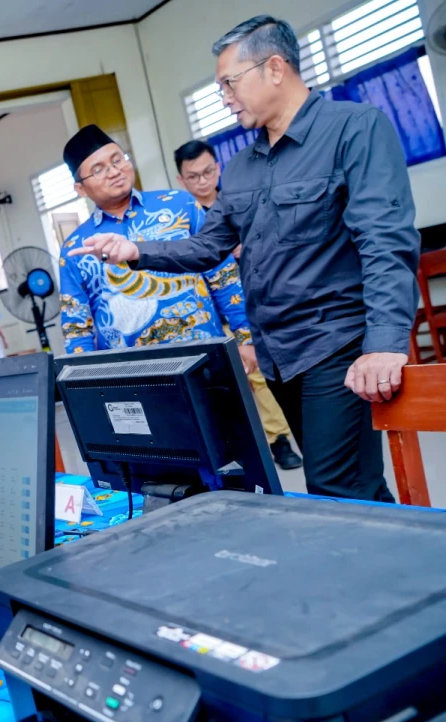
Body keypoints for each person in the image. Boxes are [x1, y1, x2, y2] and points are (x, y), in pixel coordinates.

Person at [71, 16, 418, 502]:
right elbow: (207, 247)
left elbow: (385, 241)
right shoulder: (241, 166)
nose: (225, 98)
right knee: (351, 488)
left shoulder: (353, 130)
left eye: (229, 83)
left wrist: (384, 343)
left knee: (336, 487)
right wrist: (136, 252)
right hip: (280, 357)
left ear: (274, 68)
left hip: (335, 346)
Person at [57, 125, 253, 361]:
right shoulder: (76, 247)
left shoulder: (180, 204)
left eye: (117, 160)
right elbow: (76, 326)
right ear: (80, 189)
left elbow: (222, 275)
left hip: (207, 355)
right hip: (132, 375)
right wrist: (87, 382)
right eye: (98, 170)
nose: (114, 171)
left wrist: (245, 337)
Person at [175, 139, 302, 470]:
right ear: (181, 181)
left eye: (208, 172)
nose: (203, 181)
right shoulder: (180, 218)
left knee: (259, 374)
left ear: (218, 168)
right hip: (207, 316)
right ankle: (237, 449)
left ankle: (280, 440)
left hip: (251, 305)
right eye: (193, 177)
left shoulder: (241, 203)